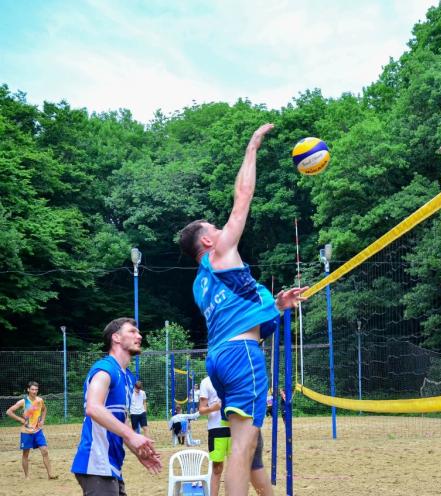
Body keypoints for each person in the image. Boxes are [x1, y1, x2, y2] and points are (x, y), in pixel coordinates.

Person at [179, 122, 307, 496]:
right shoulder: (220, 252)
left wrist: (277, 307)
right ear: (206, 239)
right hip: (241, 356)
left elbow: (243, 314)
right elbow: (244, 195)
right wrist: (252, 147)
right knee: (243, 446)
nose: (222, 229)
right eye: (215, 228)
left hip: (219, 358)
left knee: (245, 448)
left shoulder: (200, 283)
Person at [71, 318, 161, 494]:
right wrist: (132, 435)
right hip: (95, 463)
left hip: (111, 465)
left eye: (138, 332)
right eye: (132, 331)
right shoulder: (105, 369)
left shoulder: (127, 377)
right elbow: (93, 408)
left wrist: (139, 452)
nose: (139, 336)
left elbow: (121, 423)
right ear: (116, 338)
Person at [200, 376, 273, 496]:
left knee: (236, 467)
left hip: (234, 426)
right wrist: (213, 408)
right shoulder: (206, 382)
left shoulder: (233, 377)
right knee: (217, 469)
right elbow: (201, 409)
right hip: (216, 429)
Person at [5, 381, 57, 479]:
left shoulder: (40, 400)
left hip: (38, 431)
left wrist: (42, 420)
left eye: (36, 389)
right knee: (26, 454)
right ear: (28, 390)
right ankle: (27, 476)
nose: (34, 391)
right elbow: (9, 412)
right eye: (32, 389)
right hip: (26, 432)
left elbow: (44, 409)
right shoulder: (23, 402)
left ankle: (50, 475)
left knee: (45, 451)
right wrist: (21, 420)